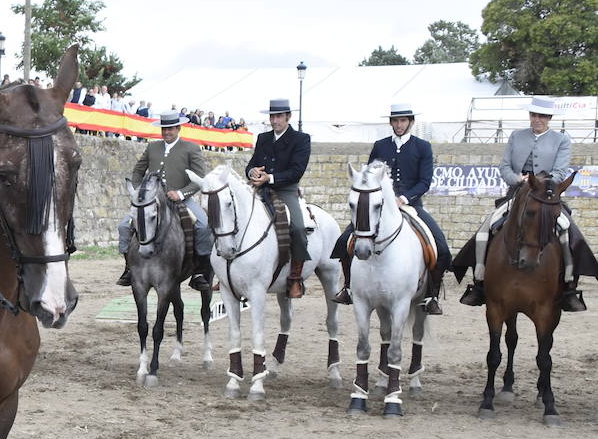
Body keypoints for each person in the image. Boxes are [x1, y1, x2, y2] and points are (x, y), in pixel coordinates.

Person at [458, 96, 589, 312]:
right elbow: (504, 167)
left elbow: (560, 172)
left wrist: (539, 183)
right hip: (517, 193)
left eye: (542, 116)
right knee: (486, 228)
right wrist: (517, 180)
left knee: (567, 230)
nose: (537, 119)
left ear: (549, 118)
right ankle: (479, 282)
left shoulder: (561, 139)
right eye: (534, 115)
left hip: (545, 196)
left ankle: (569, 286)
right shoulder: (516, 136)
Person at [331, 104, 450, 314]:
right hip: (378, 209)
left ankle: (431, 296)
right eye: (395, 121)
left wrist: (403, 198)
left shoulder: (422, 147)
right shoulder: (380, 145)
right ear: (391, 123)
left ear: (411, 122)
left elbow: (425, 181)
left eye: (403, 121)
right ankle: (349, 287)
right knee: (344, 242)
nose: (399, 125)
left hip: (411, 205)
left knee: (440, 247)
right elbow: (368, 177)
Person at [115, 111, 213, 290]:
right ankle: (129, 267)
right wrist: (139, 192)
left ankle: (199, 271)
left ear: (178, 128)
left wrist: (181, 194)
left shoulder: (191, 148)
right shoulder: (153, 147)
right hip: (152, 201)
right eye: (164, 129)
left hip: (181, 200)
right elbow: (138, 171)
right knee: (124, 226)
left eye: (170, 129)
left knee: (203, 225)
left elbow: (199, 178)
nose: (167, 132)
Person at [245, 97, 312, 297]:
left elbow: (297, 171)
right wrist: (252, 173)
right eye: (272, 117)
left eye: (279, 117)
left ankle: (295, 277)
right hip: (260, 189)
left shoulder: (301, 139)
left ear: (288, 116)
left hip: (286, 191)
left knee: (299, 229)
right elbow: (251, 164)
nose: (275, 121)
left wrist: (270, 177)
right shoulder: (263, 138)